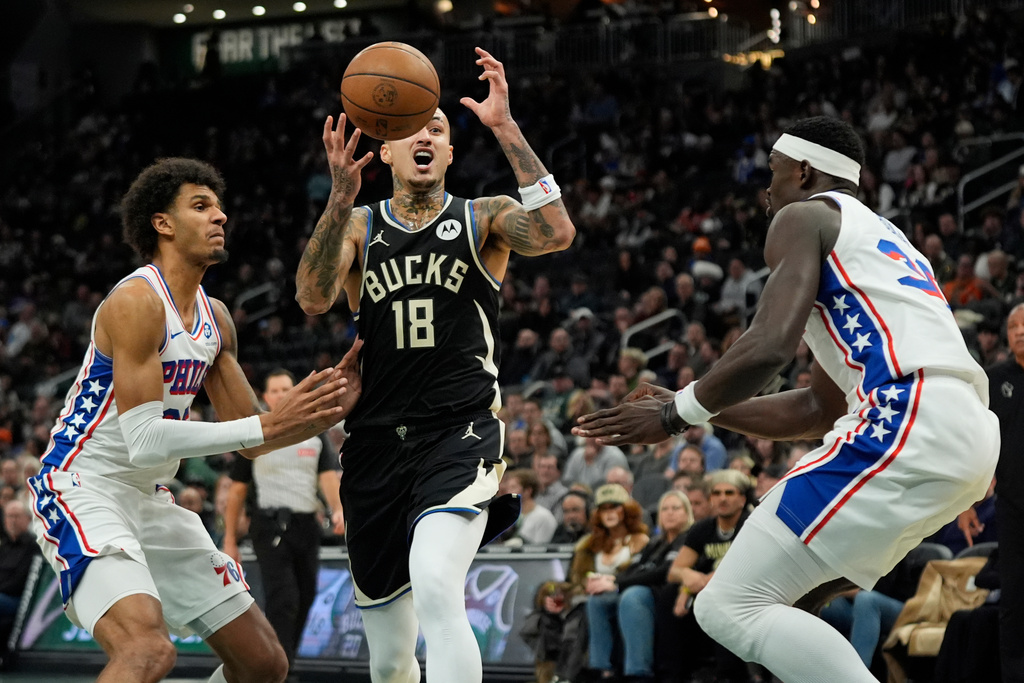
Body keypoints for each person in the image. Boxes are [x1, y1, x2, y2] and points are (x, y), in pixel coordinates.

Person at [573, 116, 999, 682]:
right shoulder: (884, 241)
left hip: (906, 418)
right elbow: (817, 411)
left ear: (801, 170)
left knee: (725, 605)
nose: (766, 192)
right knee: (785, 603)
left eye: (772, 174)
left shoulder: (803, 216)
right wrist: (691, 405)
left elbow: (769, 346)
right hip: (963, 436)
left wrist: (676, 415)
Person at [294, 47, 576, 683]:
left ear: (449, 153)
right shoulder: (362, 227)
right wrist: (340, 197)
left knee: (437, 585)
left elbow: (558, 232)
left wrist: (505, 127)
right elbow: (312, 297)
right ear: (387, 149)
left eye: (439, 129)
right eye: (412, 130)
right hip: (372, 447)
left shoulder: (483, 219)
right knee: (391, 659)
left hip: (459, 433)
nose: (425, 135)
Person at [26, 158, 361, 683]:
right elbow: (143, 439)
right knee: (147, 652)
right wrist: (269, 426)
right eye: (201, 206)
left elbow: (251, 438)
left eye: (220, 207)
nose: (220, 216)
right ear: (162, 223)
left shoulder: (217, 318)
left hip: (149, 499)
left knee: (264, 664)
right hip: (83, 486)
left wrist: (328, 407)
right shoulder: (136, 301)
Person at [221, 368, 346, 676]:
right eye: (274, 390)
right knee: (284, 599)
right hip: (269, 525)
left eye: (286, 389)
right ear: (264, 397)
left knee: (305, 597)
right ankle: (279, 673)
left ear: (295, 391)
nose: (281, 394)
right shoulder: (254, 433)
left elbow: (328, 477)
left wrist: (337, 509)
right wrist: (229, 541)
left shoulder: (314, 433)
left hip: (306, 525)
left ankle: (281, 662)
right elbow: (237, 492)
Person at [959, 302, 1024, 682]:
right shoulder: (994, 379)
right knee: (1014, 602)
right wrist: (968, 503)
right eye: (1013, 325)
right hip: (1013, 508)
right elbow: (977, 446)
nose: (1018, 331)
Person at [586, 490, 693, 683]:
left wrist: (617, 583)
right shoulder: (655, 542)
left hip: (664, 593)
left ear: (687, 513)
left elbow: (663, 573)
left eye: (676, 508)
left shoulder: (688, 539)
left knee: (632, 596)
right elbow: (635, 568)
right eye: (665, 509)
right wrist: (608, 580)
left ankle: (638, 671)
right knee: (598, 600)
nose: (669, 513)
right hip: (641, 589)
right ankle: (604, 670)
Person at [0, 499, 39, 617]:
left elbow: (18, 582)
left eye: (16, 516)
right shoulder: (4, 544)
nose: (12, 521)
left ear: (28, 519)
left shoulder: (33, 545)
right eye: (9, 516)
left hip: (17, 600)